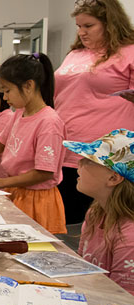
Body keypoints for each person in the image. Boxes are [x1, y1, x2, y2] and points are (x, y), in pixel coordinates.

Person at [0, 53, 67, 235]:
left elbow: (44, 172)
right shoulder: (19, 113)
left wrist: (2, 181)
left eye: (7, 91)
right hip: (16, 190)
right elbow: (1, 143)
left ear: (29, 86)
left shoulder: (49, 122)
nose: (5, 98)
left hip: (36, 199)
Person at [54, 0, 134, 225]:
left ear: (110, 23)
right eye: (78, 26)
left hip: (104, 157)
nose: (81, 32)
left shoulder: (128, 52)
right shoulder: (75, 54)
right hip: (64, 150)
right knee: (64, 224)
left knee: (94, 224)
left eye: (88, 26)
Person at [63, 129, 134, 295]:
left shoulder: (129, 237)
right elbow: (83, 268)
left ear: (113, 178)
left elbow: (124, 303)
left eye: (89, 160)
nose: (79, 164)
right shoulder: (95, 213)